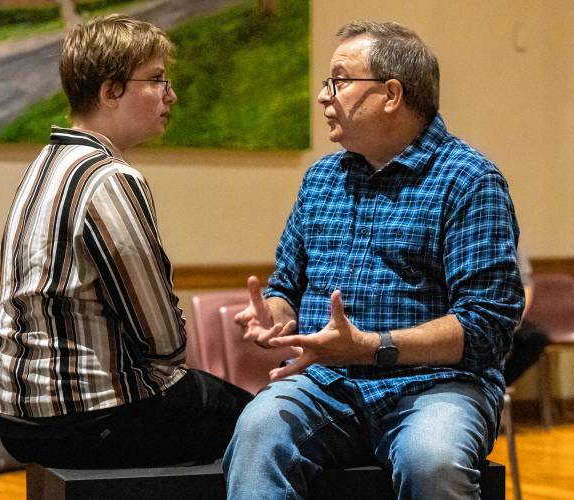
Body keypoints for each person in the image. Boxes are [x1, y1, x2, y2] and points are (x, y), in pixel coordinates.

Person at [224, 20, 524, 499]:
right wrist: (277, 314)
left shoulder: (469, 180)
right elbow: (287, 282)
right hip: (327, 382)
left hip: (438, 385)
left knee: (433, 461)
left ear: (390, 94)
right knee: (258, 433)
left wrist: (371, 346)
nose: (324, 97)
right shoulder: (321, 178)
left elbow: (487, 326)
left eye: (338, 81)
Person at [0, 14, 252, 469]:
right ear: (111, 91)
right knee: (265, 423)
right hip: (89, 415)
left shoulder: (43, 164)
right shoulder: (107, 176)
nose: (171, 95)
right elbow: (162, 338)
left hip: (14, 415)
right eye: (156, 80)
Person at [505, 248, 549, 385]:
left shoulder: (513, 243)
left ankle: (501, 385)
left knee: (536, 338)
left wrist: (517, 315)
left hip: (511, 314)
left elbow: (526, 285)